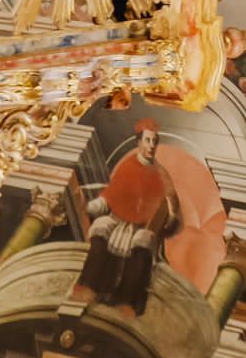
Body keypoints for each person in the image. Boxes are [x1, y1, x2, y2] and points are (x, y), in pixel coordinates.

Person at [72, 118, 180, 318]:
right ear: (139, 142)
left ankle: (126, 301)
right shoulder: (127, 166)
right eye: (148, 140)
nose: (152, 145)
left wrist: (170, 218)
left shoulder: (161, 174)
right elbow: (109, 197)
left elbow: (171, 207)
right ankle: (88, 286)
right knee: (101, 225)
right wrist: (88, 206)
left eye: (155, 141)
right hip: (118, 219)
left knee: (142, 241)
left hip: (142, 227)